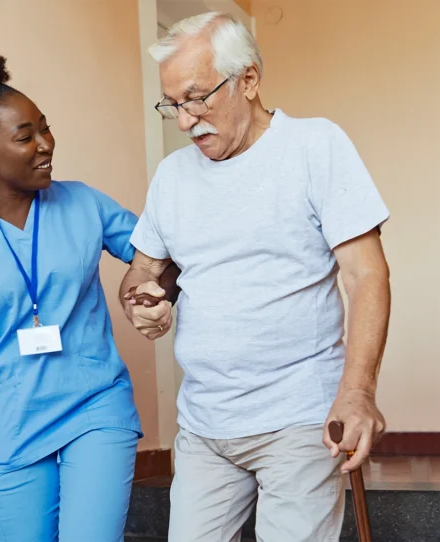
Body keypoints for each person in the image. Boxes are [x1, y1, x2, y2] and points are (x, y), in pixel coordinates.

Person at [0, 39, 178, 542]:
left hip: (96, 410)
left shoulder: (84, 203)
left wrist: (154, 291)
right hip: (13, 427)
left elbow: (163, 255)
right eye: (26, 136)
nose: (46, 143)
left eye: (44, 126)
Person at [120, 12, 392, 542]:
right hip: (204, 425)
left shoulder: (315, 146)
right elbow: (142, 271)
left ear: (248, 80)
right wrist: (140, 301)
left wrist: (357, 392)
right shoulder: (173, 175)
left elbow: (367, 276)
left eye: (197, 97)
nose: (184, 121)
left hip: (299, 417)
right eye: (173, 104)